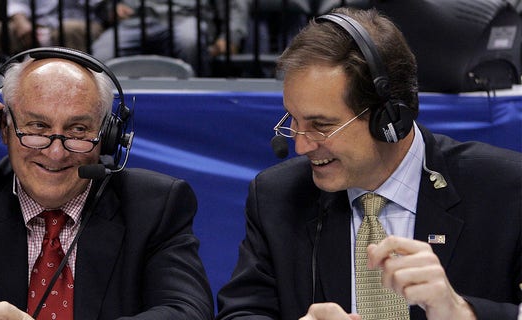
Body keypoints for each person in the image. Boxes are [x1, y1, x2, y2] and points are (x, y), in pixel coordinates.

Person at [216, 6, 521, 320]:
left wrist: (462, 313)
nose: (300, 144)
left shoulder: (506, 191)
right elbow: (242, 312)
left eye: (320, 125)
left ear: (390, 119)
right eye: (293, 120)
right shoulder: (277, 197)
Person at [0, 47, 214, 320]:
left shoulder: (155, 206)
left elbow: (187, 312)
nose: (56, 152)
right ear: (4, 128)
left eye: (77, 131)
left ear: (108, 136)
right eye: (37, 127)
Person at [90, 0, 213, 75]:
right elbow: (105, 5)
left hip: (183, 17)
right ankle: (103, 102)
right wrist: (113, 7)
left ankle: (197, 95)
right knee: (102, 53)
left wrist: (229, 36)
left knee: (189, 40)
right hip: (135, 20)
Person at [0, 0, 105, 54]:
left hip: (80, 22)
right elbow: (17, 3)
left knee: (68, 30)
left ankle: (79, 80)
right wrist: (21, 21)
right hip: (35, 22)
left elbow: (98, 3)